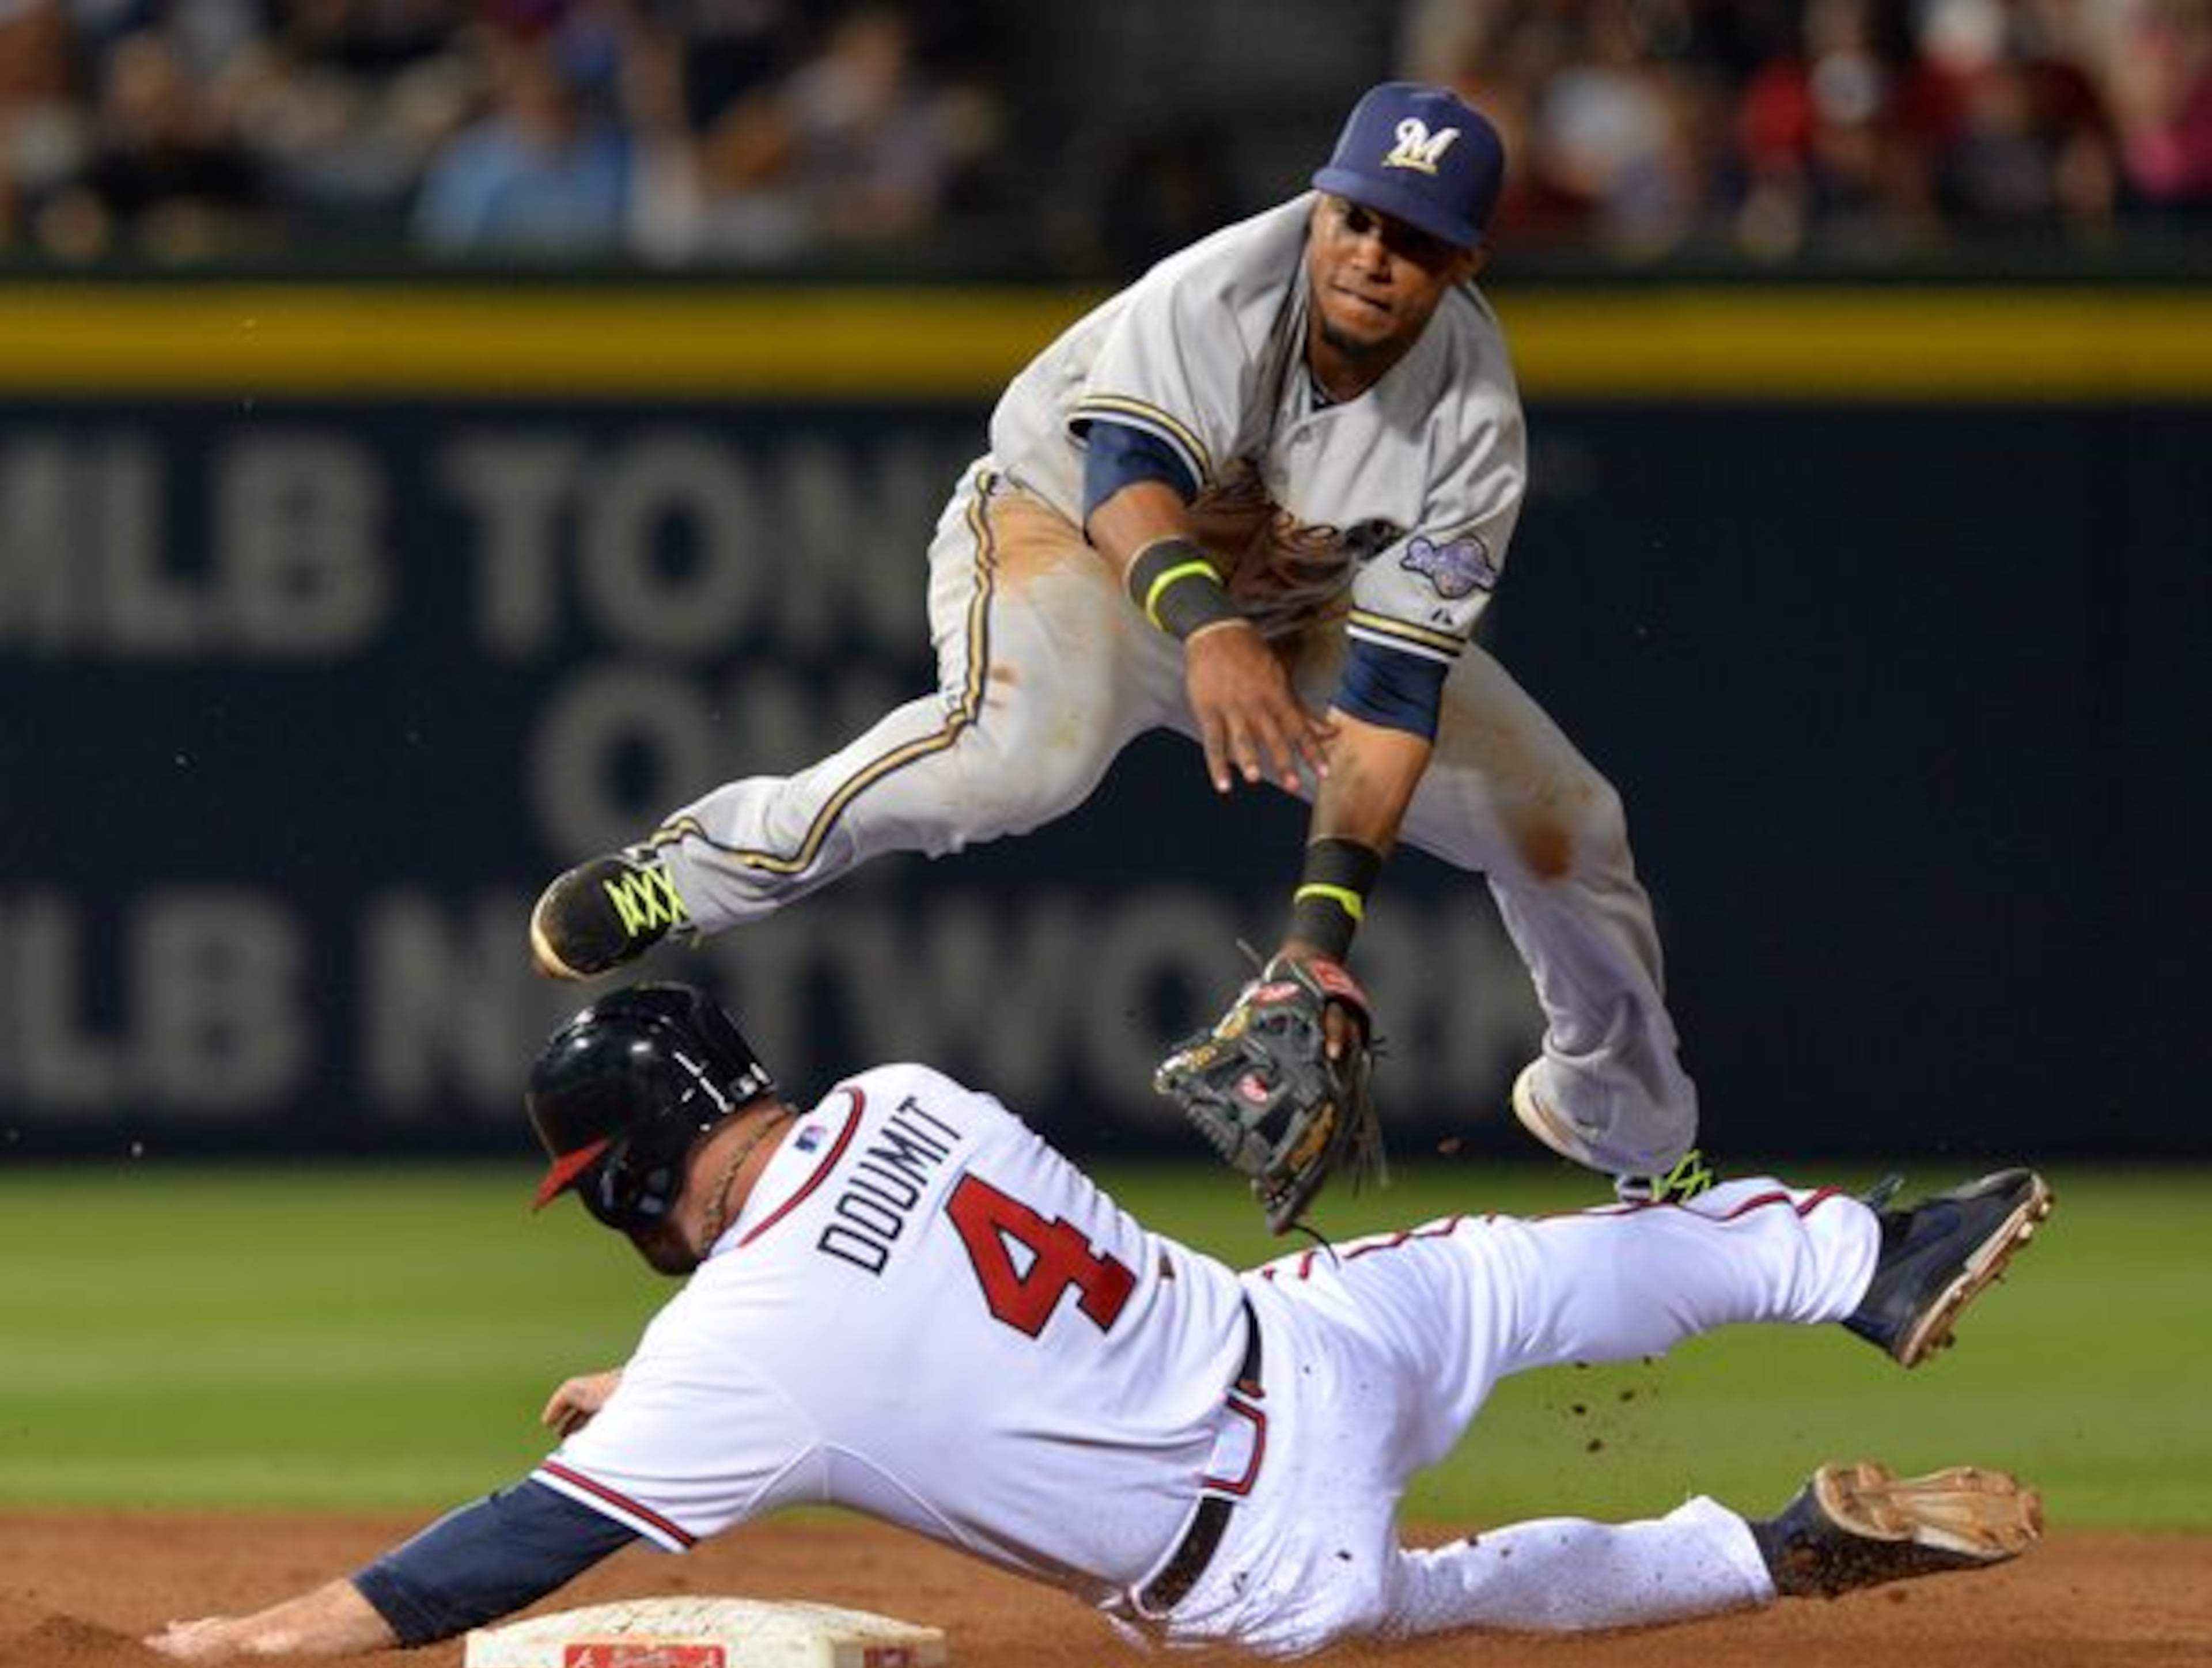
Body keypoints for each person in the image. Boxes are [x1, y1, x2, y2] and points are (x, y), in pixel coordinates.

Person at [525, 80, 1709, 1204]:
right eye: (1357, 217)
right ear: (1325, 204)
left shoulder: (1474, 424)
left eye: (1411, 239)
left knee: (1570, 828)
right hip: (1075, 542)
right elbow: (1128, 478)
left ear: (1463, 264)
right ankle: (688, 872)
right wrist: (1207, 632)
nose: (1369, 252)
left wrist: (1318, 943)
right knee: (1017, 762)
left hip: (1292, 614)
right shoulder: (1224, 288)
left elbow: (1392, 703)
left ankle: (1624, 1119)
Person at [147, 982, 2051, 1666]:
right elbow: (881, 1296)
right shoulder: (909, 1095)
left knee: (1442, 1600)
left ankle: (1773, 1551)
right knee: (1521, 1274)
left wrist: (259, 1637)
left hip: (1262, 1563)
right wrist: (671, 1372)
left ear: (636, 1169)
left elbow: (506, 1547)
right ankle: (1855, 1264)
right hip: (1310, 1344)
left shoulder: (746, 1355)